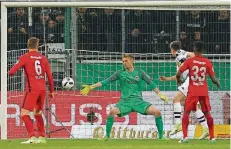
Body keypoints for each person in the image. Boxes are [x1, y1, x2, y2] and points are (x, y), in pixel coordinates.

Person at [81, 54, 168, 140]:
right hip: (125, 102)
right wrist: (91, 87)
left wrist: (160, 94)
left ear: (132, 60)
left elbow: (151, 84)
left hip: (138, 102)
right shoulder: (120, 73)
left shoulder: (140, 72)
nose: (124, 63)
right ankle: (107, 135)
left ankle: (161, 137)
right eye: (123, 61)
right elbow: (106, 81)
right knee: (111, 112)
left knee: (157, 112)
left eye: (126, 61)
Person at [8, 37, 54, 144]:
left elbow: (11, 72)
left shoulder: (25, 57)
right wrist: (51, 91)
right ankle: (42, 137)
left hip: (32, 90)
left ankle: (32, 137)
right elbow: (50, 77)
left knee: (24, 113)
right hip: (42, 89)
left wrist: (12, 71)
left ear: (28, 45)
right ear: (37, 46)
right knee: (37, 113)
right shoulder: (43, 58)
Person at [160, 41, 209, 139]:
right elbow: (179, 74)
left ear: (172, 50)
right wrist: (167, 79)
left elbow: (191, 55)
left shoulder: (180, 53)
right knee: (193, 106)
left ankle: (178, 125)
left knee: (176, 99)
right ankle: (206, 129)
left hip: (191, 80)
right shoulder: (181, 58)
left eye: (171, 50)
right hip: (194, 80)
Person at [176, 41, 220, 143]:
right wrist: (217, 83)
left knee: (186, 112)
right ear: (203, 50)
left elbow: (179, 73)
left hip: (193, 91)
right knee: (207, 113)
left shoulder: (189, 61)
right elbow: (213, 79)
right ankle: (212, 137)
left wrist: (179, 80)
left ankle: (185, 137)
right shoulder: (207, 62)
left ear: (194, 50)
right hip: (203, 91)